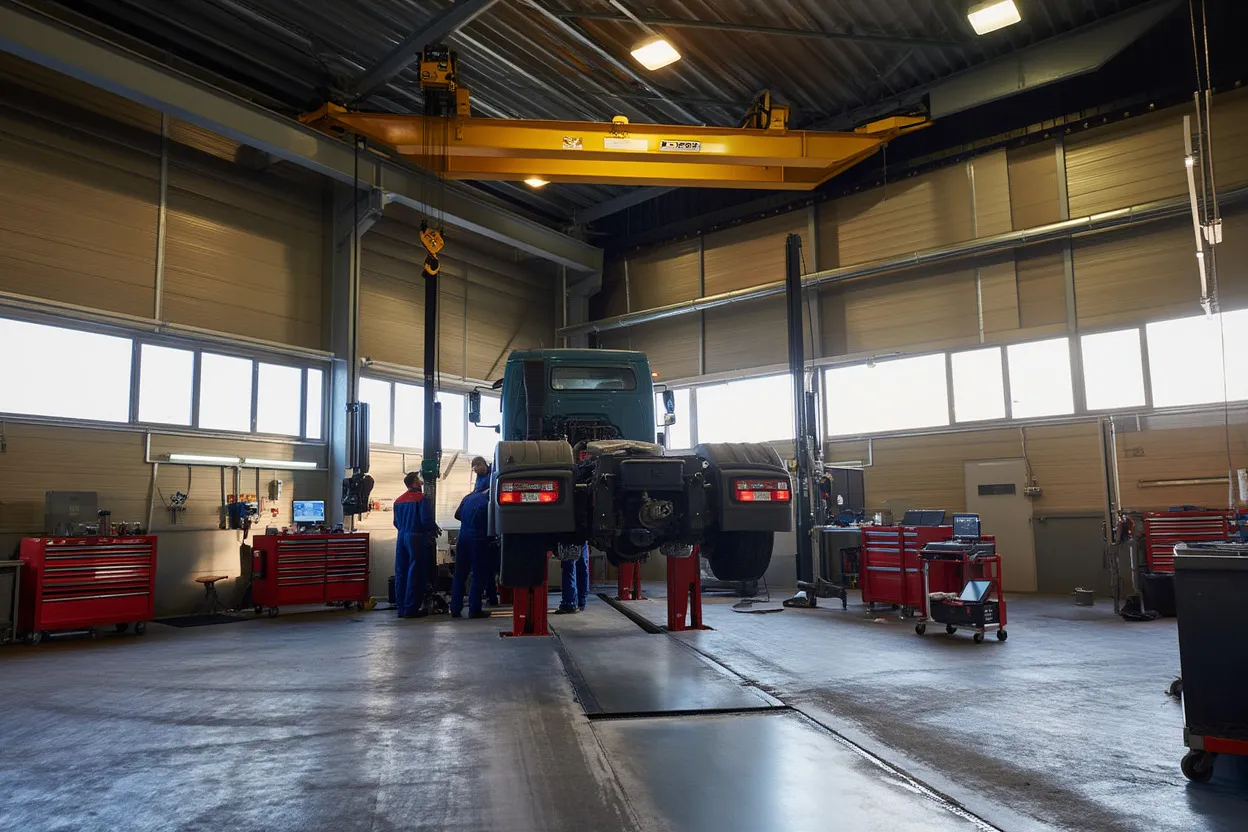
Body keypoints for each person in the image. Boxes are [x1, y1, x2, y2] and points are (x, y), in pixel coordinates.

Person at [393, 471, 435, 618]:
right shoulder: (422, 499)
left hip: (401, 537)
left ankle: (401, 608)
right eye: (418, 479)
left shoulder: (398, 501)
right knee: (415, 573)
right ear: (414, 483)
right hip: (416, 537)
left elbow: (395, 522)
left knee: (401, 572)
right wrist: (432, 529)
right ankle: (411, 609)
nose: (421, 482)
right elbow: (426, 520)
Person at [451, 470, 491, 619]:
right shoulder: (488, 500)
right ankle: (474, 609)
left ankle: (455, 609)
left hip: (463, 539)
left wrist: (468, 521)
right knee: (478, 574)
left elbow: (457, 515)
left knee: (460, 575)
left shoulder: (467, 497)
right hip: (478, 540)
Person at [468, 456, 498, 606]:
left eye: (476, 468)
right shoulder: (480, 479)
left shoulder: (493, 475)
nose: (475, 472)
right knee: (485, 568)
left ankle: (490, 598)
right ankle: (491, 597)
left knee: (485, 568)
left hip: (488, 527)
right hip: (482, 528)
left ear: (481, 464)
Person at [555, 541, 590, 615]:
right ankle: (581, 601)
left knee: (569, 564)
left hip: (569, 536)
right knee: (582, 563)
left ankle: (569, 603)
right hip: (583, 536)